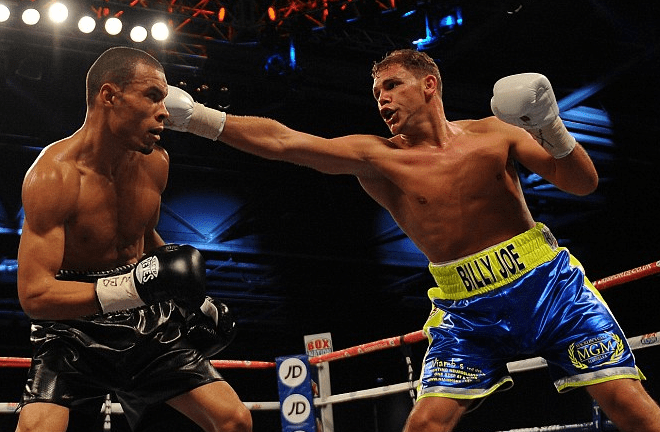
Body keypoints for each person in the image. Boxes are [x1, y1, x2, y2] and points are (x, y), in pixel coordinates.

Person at [163, 49, 660, 431]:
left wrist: (552, 129)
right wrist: (198, 117)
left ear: (429, 85)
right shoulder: (378, 158)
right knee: (425, 424)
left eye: (391, 86)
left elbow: (582, 182)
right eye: (376, 91)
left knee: (630, 409)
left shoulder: (495, 134)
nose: (381, 99)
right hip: (466, 310)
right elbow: (285, 141)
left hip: (549, 288)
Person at [15, 46, 252, 432]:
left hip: (145, 319)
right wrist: (134, 288)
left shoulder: (155, 162)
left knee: (233, 421)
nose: (165, 110)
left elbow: (140, 232)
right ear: (109, 96)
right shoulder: (53, 176)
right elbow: (34, 295)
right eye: (153, 96)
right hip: (74, 324)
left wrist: (193, 297)